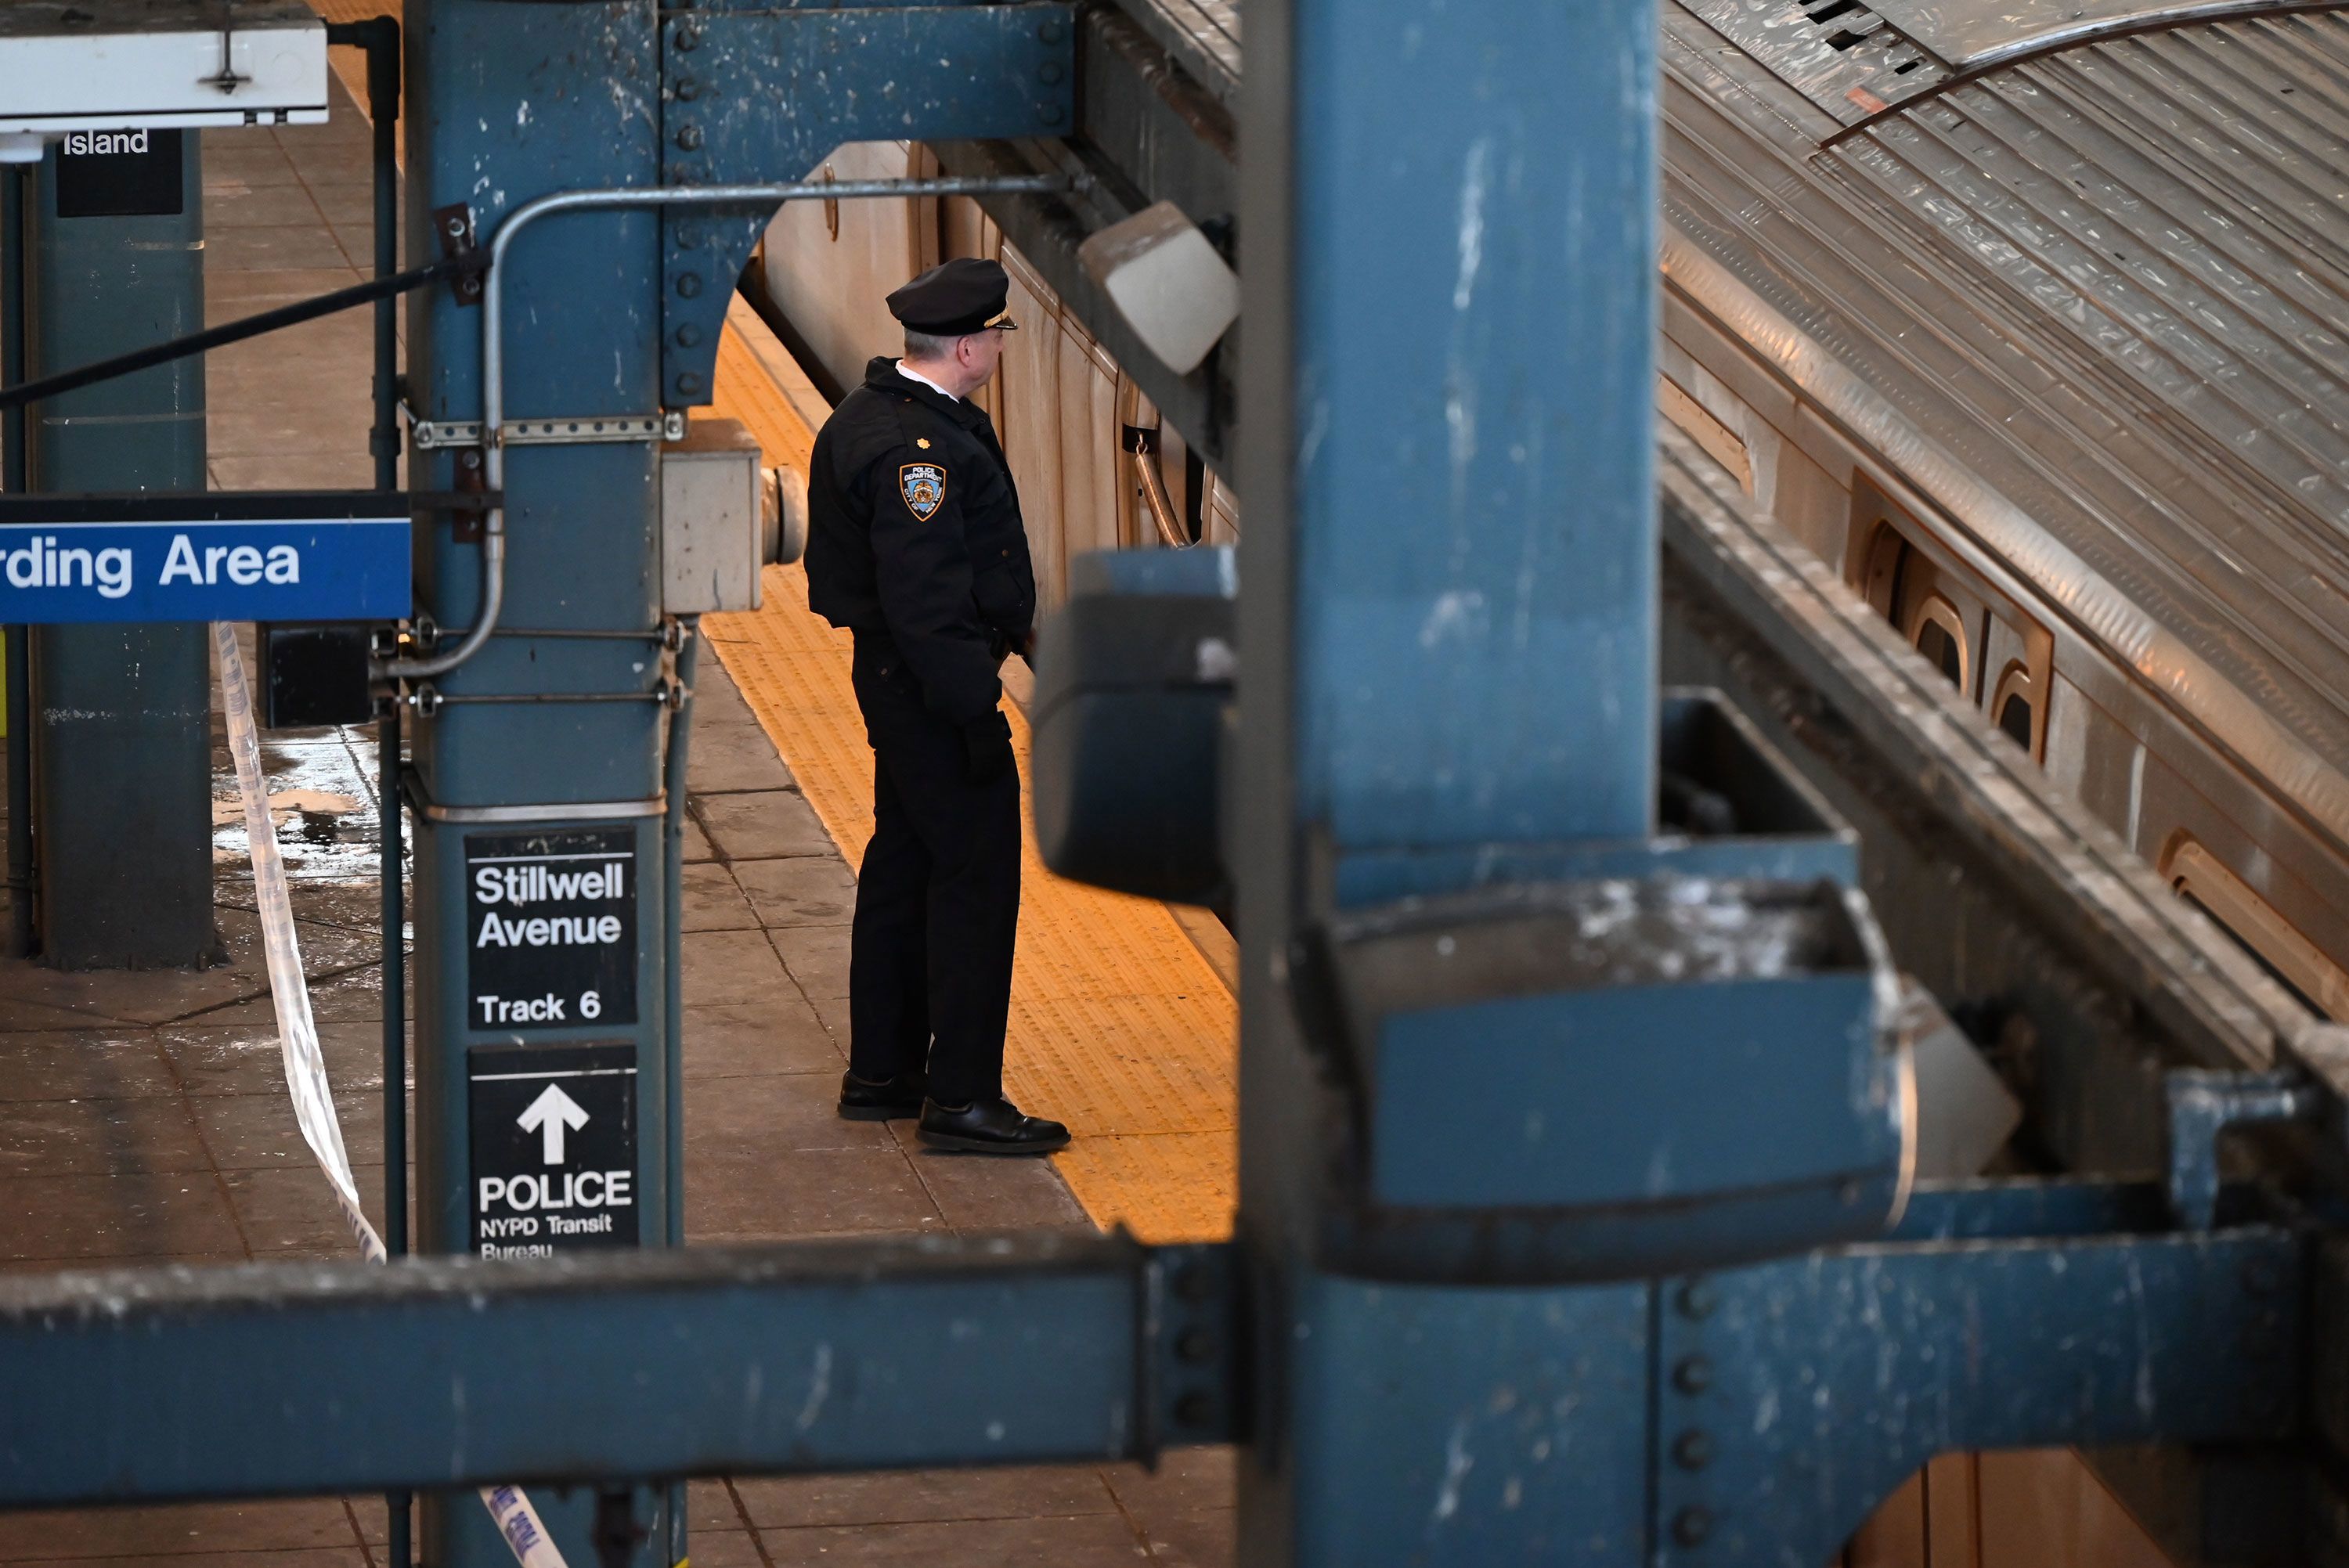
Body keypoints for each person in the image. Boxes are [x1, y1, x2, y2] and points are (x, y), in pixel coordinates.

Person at [803, 257, 1070, 1155]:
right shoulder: (918, 453)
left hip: (893, 686)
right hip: (930, 695)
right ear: (968, 345)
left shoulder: (877, 414)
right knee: (975, 886)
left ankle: (883, 1072)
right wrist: (976, 709)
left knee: (905, 863)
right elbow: (925, 604)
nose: (998, 345)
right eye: (995, 334)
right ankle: (962, 1097)